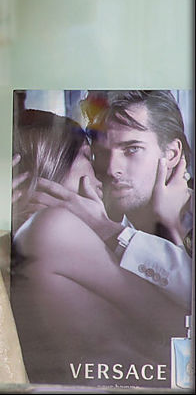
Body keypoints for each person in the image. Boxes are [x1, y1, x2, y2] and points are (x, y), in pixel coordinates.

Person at [11, 108, 183, 386]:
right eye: (87, 156)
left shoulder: (32, 231)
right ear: (53, 159)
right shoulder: (55, 226)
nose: (103, 172)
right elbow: (175, 321)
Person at [29, 90, 193, 307]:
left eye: (132, 149)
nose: (111, 168)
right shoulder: (89, 211)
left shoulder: (102, 223)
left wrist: (110, 230)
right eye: (101, 153)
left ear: (171, 153)